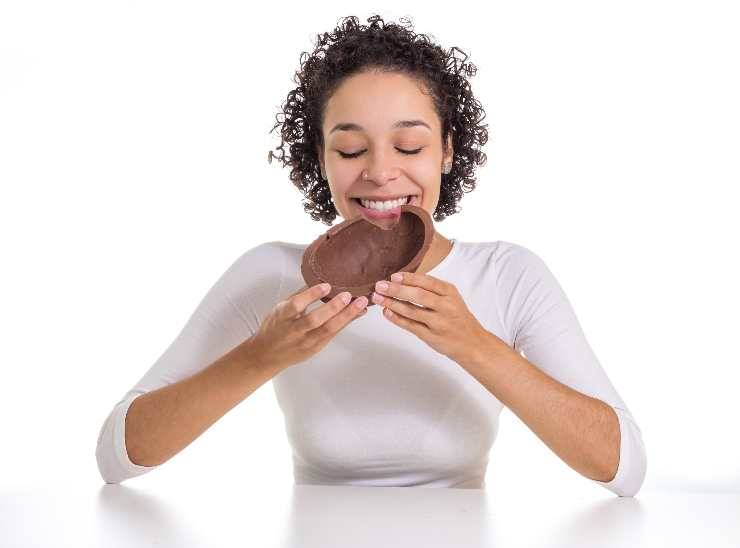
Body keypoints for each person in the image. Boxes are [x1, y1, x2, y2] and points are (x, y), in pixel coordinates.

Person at [96, 14, 647, 496]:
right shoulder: (269, 276)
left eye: (409, 146)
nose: (381, 172)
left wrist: (473, 343)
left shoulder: (507, 276)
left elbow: (624, 469)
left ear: (447, 150)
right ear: (321, 157)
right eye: (352, 149)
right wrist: (261, 355)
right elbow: (117, 457)